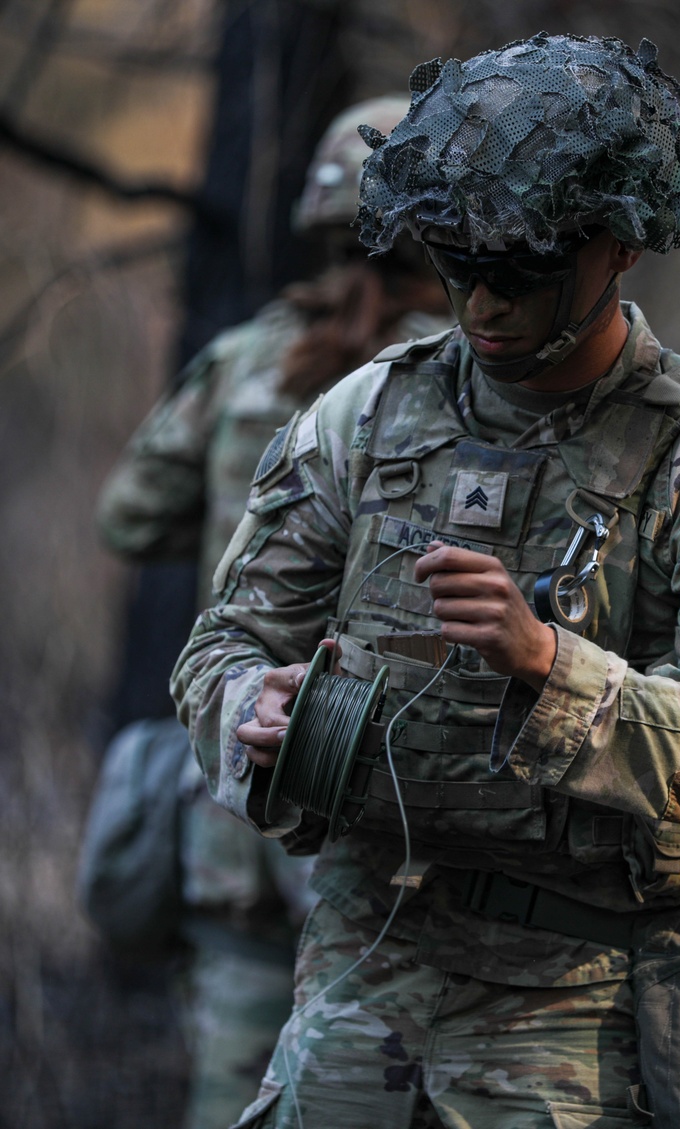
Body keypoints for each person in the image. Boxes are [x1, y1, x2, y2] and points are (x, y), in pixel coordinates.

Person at [173, 34, 680, 1129]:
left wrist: (551, 666)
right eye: (458, 266)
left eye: (519, 270)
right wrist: (251, 708)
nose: (481, 305)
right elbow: (221, 644)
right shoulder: (364, 417)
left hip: (576, 1013)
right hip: (360, 988)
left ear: (615, 247)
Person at [93, 95, 451, 1129]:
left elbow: (128, 518)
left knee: (235, 1077)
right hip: (374, 814)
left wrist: (223, 524)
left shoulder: (246, 360)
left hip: (232, 800)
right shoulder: (464, 381)